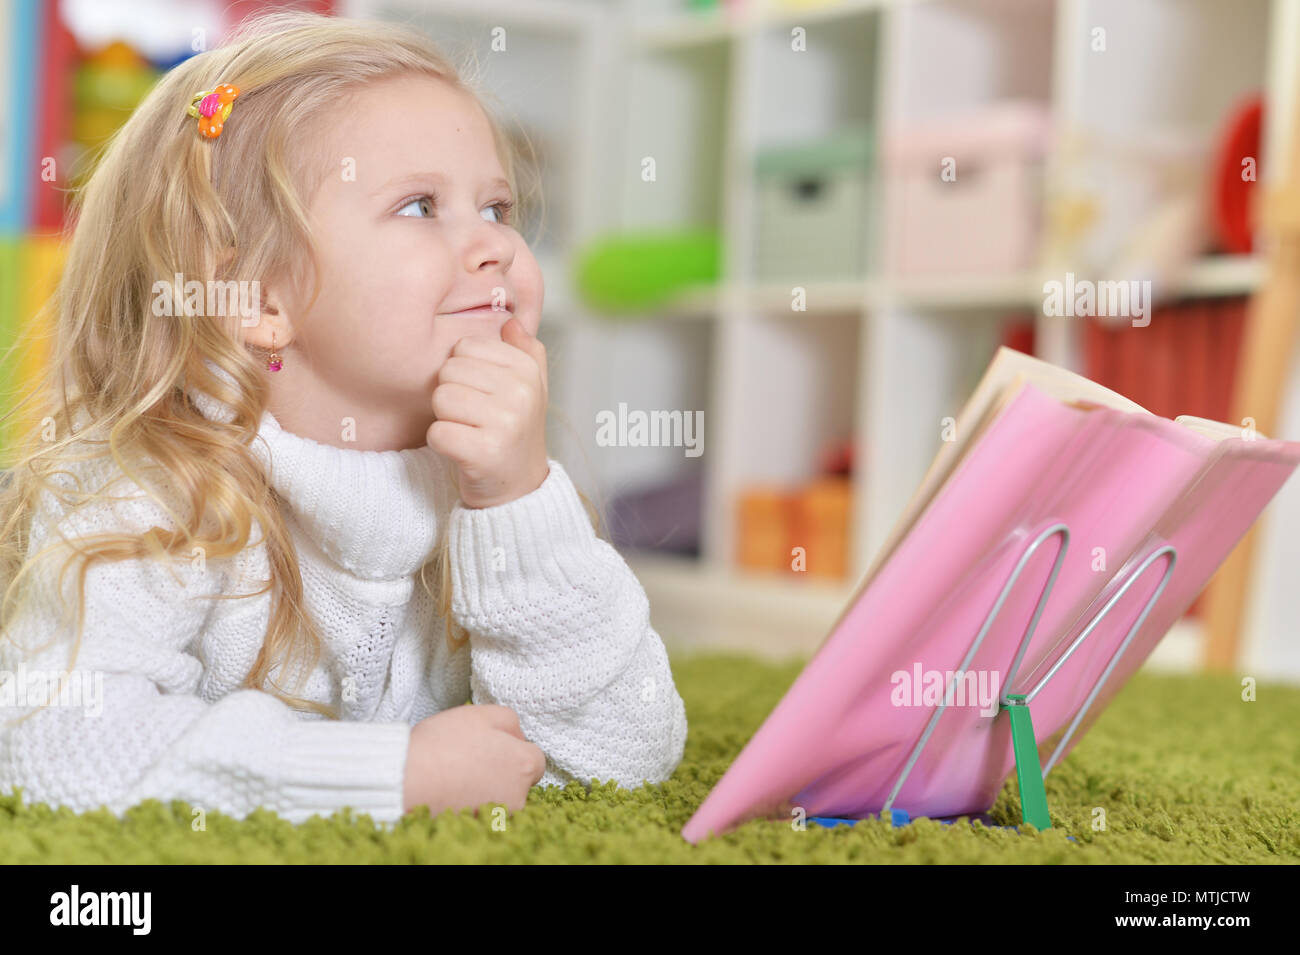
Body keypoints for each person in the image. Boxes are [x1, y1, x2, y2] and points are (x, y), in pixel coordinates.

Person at [0, 11, 687, 828]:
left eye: (498, 208)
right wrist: (383, 773)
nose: (495, 247)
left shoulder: (496, 483)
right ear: (257, 297)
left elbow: (627, 756)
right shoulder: (148, 486)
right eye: (420, 207)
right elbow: (49, 740)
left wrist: (517, 500)